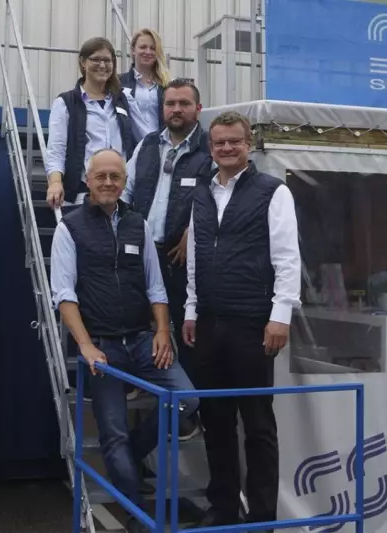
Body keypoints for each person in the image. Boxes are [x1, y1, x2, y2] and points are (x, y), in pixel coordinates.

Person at [50, 148, 199, 533]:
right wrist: (84, 344)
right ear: (87, 180)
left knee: (187, 401)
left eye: (115, 176)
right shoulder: (70, 227)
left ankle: (131, 453)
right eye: (101, 176)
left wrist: (163, 332)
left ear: (124, 181)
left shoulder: (139, 224)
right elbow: (64, 294)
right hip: (102, 345)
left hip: (142, 340)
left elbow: (155, 285)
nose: (108, 183)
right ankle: (137, 516)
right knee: (111, 431)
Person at [181, 111, 302, 529]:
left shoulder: (273, 192)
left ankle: (263, 516)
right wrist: (191, 309)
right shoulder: (202, 193)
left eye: (234, 141)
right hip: (210, 323)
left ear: (248, 144)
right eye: (219, 143)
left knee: (257, 425)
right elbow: (195, 256)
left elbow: (288, 259)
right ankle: (224, 508)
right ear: (210, 148)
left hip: (254, 323)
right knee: (216, 421)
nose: (226, 148)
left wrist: (280, 316)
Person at [121, 78, 211, 440]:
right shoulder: (145, 145)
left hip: (179, 258)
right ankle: (146, 387)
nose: (176, 109)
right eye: (170, 103)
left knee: (185, 333)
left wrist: (195, 228)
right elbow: (126, 190)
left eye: (184, 104)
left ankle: (188, 415)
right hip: (142, 254)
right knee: (137, 326)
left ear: (197, 109)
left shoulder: (210, 148)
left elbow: (220, 194)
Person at [45, 38, 137, 208]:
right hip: (82, 196)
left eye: (107, 60)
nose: (102, 65)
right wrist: (55, 182)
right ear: (83, 63)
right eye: (96, 59)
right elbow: (56, 150)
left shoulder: (125, 100)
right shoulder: (66, 103)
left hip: (119, 195)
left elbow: (141, 140)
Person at [119, 29, 171, 141]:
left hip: (160, 147)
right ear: (133, 50)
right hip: (131, 149)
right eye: (143, 47)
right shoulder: (119, 83)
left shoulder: (167, 85)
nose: (148, 52)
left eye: (153, 48)